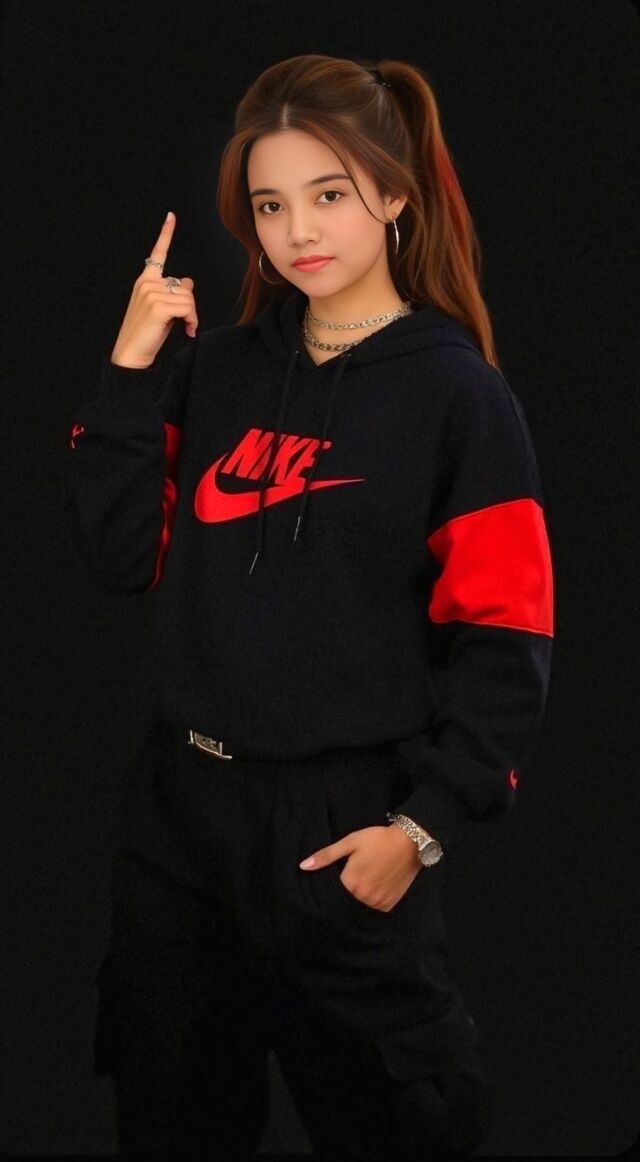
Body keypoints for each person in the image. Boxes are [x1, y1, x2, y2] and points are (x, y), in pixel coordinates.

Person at [62, 53, 554, 1158]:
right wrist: (132, 372)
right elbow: (116, 556)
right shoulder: (218, 368)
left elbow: (507, 635)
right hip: (178, 821)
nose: (298, 232)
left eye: (329, 194)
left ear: (394, 194)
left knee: (398, 1124)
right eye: (271, 205)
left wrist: (421, 829)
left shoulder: (458, 396)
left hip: (339, 829)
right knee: (170, 1120)